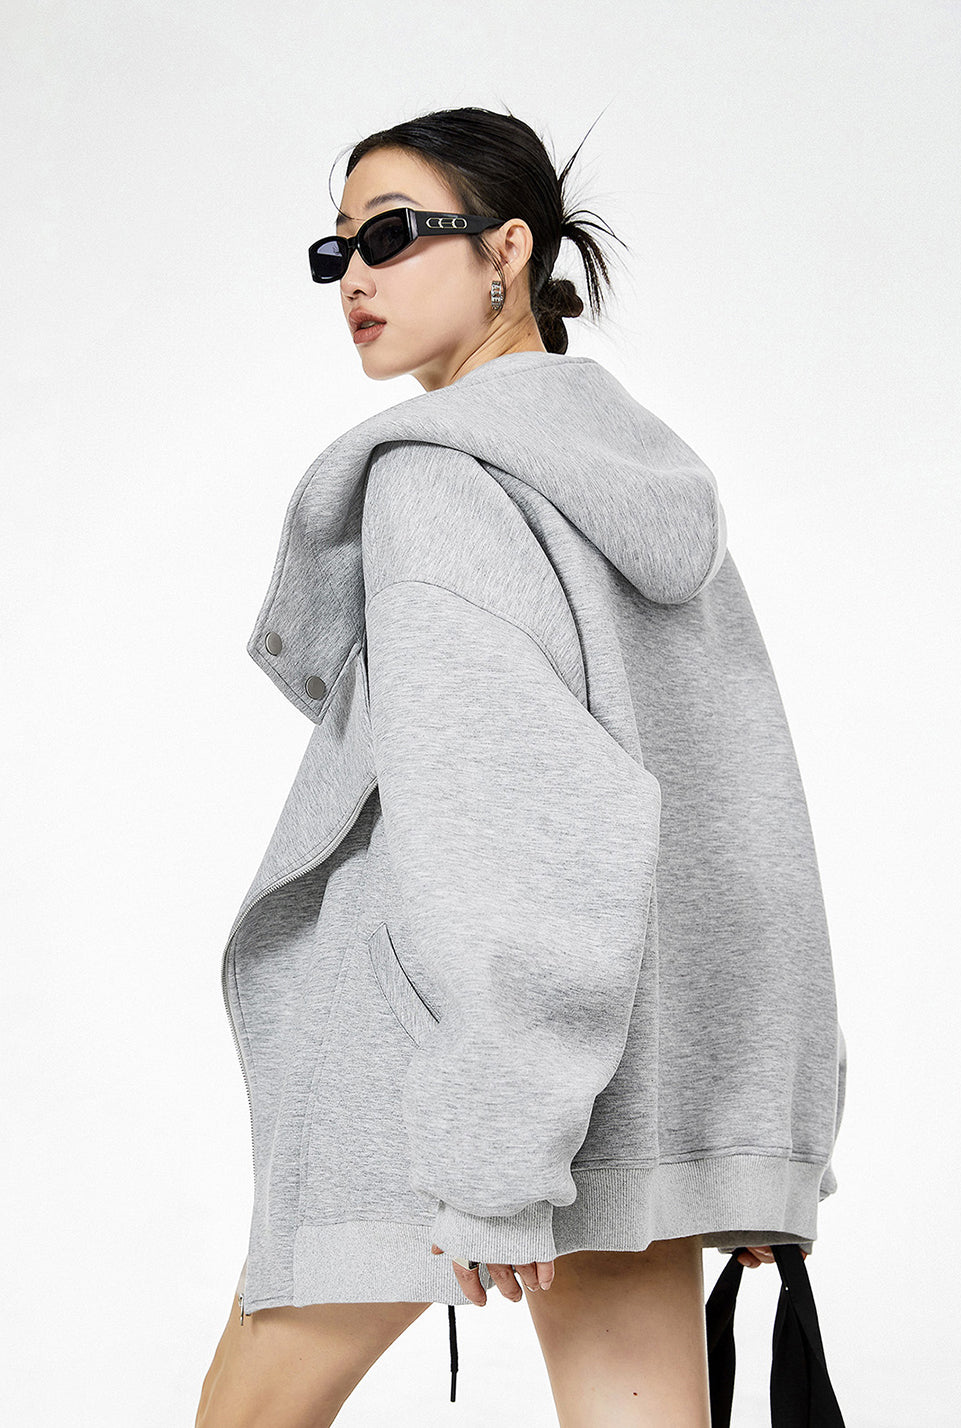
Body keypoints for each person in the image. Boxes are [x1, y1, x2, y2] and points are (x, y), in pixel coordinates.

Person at [195, 105, 847, 1428]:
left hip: (459, 1073)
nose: (355, 276)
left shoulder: (437, 484)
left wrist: (496, 1143)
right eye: (336, 252)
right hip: (640, 1074)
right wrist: (750, 1135)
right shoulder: (639, 484)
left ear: (508, 251)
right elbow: (745, 827)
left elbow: (512, 825)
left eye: (390, 235)